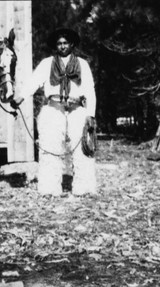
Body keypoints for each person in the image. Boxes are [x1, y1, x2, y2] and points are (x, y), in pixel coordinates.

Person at [11, 28, 97, 196]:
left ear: (71, 44)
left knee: (83, 149)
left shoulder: (82, 64)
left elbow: (90, 90)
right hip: (53, 107)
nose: (62, 46)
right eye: (59, 43)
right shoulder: (47, 63)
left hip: (77, 108)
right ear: (55, 46)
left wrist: (90, 114)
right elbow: (33, 82)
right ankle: (49, 188)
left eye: (65, 43)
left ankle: (84, 188)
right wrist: (20, 97)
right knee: (49, 148)